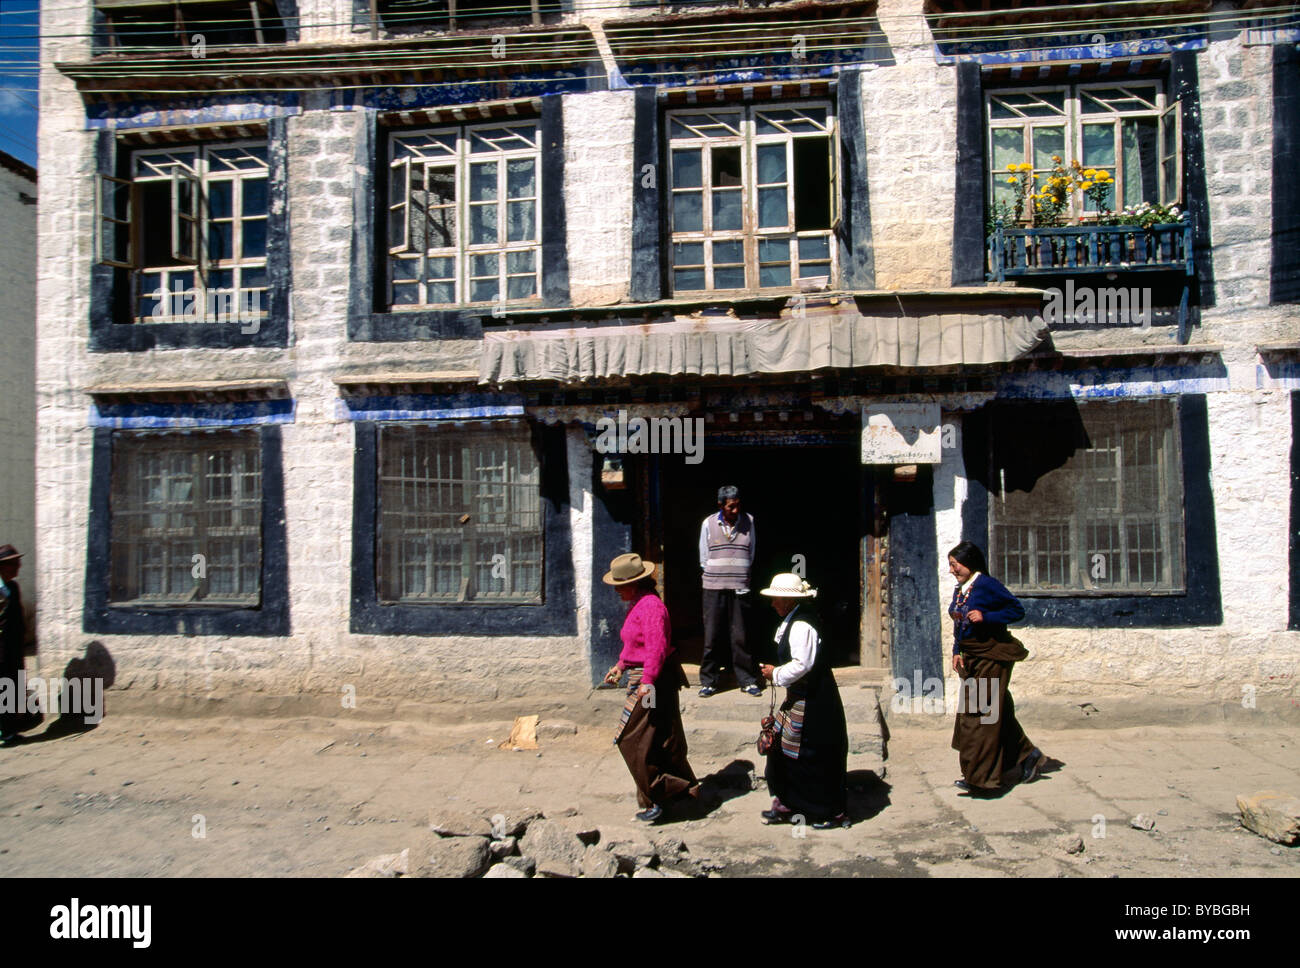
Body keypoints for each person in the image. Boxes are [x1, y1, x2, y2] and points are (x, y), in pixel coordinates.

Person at [602, 553, 700, 823]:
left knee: (633, 739)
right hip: (647, 677)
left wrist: (647, 682)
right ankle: (668, 796)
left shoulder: (651, 608)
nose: (617, 591)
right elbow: (637, 644)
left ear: (635, 584)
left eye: (620, 585)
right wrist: (621, 665)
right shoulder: (638, 604)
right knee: (659, 737)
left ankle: (664, 792)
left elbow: (656, 649)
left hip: (653, 682)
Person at [946, 541, 1045, 795]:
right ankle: (1028, 754)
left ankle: (982, 779)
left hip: (991, 657)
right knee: (992, 711)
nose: (952, 570)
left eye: (955, 565)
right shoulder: (962, 589)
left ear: (969, 563)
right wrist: (957, 650)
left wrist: (986, 617)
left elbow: (1016, 610)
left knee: (981, 716)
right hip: (972, 658)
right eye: (950, 565)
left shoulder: (987, 585)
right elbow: (960, 624)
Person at [756, 573, 849, 829]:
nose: (773, 603)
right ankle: (789, 802)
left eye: (776, 598)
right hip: (800, 697)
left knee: (813, 752)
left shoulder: (801, 625)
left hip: (814, 699)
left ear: (787, 600)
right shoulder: (791, 620)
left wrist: (774, 673)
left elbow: (802, 664)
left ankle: (829, 811)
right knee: (783, 750)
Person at [698, 485, 761, 697]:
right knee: (712, 635)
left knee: (741, 635)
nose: (735, 510)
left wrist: (738, 573)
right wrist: (719, 572)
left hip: (740, 585)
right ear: (720, 506)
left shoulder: (749, 521)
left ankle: (746, 679)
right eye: (730, 507)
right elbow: (703, 558)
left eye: (737, 505)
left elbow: (751, 553)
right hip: (713, 587)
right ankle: (709, 681)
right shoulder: (708, 523)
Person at [0, 545, 30, 746]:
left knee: (12, 686)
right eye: (13, 564)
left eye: (18, 563)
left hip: (12, 648)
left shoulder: (13, 588)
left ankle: (9, 730)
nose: (18, 568)